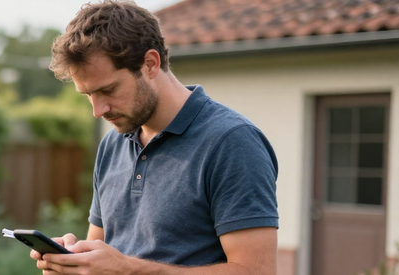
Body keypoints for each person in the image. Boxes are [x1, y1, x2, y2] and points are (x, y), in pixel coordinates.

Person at [29, 1, 279, 274]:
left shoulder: (231, 142)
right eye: (88, 95)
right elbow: (101, 252)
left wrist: (128, 269)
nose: (98, 111)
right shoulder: (112, 144)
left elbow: (256, 270)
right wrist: (74, 261)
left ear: (150, 63)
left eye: (108, 90)